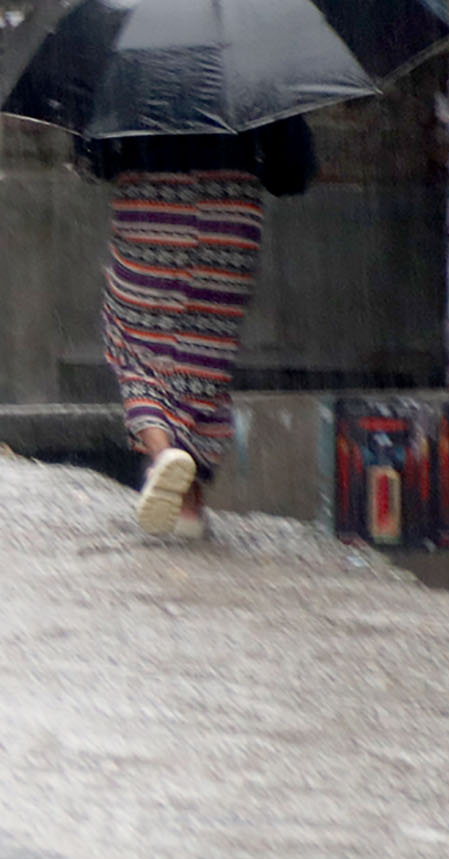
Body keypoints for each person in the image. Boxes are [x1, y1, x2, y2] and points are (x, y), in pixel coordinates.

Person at [83, 119, 316, 542]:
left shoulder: (134, 64)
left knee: (137, 347)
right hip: (231, 213)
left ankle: (163, 453)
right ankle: (189, 506)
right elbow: (290, 170)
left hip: (152, 203)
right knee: (203, 358)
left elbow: (96, 159)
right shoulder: (253, 57)